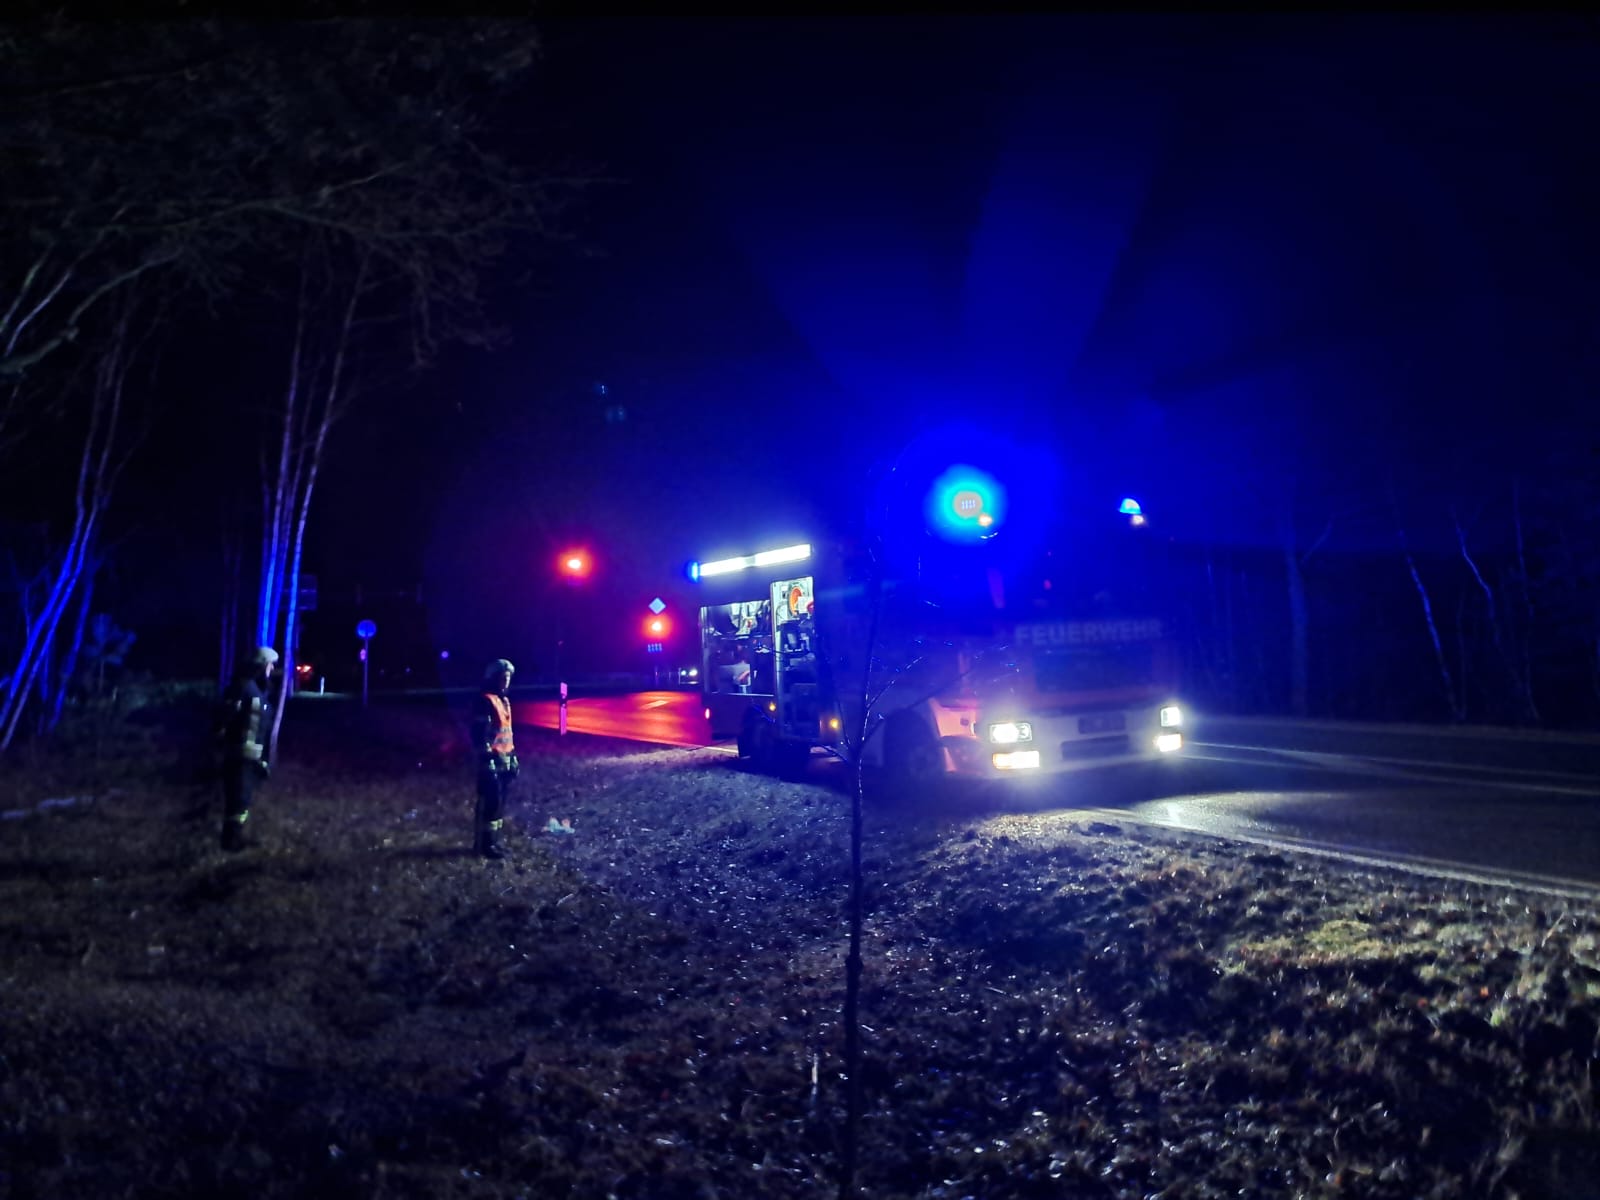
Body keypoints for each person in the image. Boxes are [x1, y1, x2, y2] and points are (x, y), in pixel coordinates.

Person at [215, 646, 278, 852]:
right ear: (261, 666)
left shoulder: (259, 690)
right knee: (238, 799)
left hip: (251, 757)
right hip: (239, 755)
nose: (272, 669)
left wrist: (264, 759)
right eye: (270, 665)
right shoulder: (244, 688)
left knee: (243, 799)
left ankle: (235, 837)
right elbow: (226, 717)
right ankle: (230, 841)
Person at [469, 658, 520, 860]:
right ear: (492, 678)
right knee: (489, 803)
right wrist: (486, 760)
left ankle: (494, 841)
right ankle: (483, 845)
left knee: (499, 803)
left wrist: (513, 758)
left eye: (508, 678)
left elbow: (506, 733)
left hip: (504, 760)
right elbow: (479, 734)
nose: (505, 681)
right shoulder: (485, 701)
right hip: (490, 761)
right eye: (502, 678)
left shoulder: (503, 701)